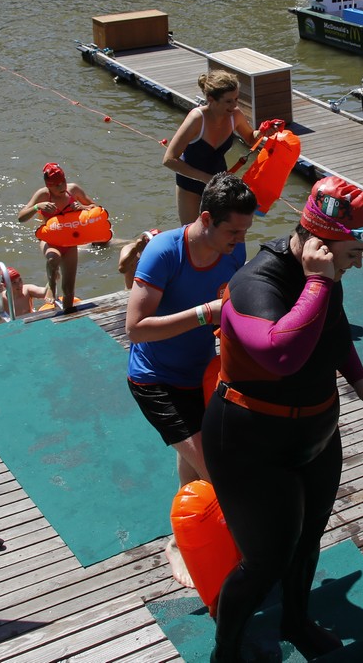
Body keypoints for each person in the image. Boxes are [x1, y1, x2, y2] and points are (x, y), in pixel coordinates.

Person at [203, 177, 363, 661]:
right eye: (352, 254)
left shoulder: (327, 277)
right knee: (265, 562)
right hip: (251, 443)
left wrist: (359, 380)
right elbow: (280, 355)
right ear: (319, 246)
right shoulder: (253, 284)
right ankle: (225, 651)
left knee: (308, 542)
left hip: (317, 434)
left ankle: (296, 621)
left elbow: (333, 325)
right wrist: (319, 282)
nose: (357, 264)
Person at [125, 173, 257, 588]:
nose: (240, 240)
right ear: (206, 219)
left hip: (200, 374)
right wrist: (204, 314)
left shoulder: (234, 250)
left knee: (196, 458)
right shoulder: (164, 253)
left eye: (245, 231)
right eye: (233, 231)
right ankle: (183, 545)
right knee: (215, 469)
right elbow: (135, 328)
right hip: (154, 380)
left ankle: (188, 532)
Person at [162, 70, 273, 226]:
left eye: (236, 99)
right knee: (192, 233)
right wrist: (206, 178)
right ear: (211, 99)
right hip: (190, 185)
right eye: (228, 101)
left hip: (219, 185)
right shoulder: (196, 119)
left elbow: (250, 139)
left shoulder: (235, 115)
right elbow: (169, 159)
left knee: (220, 231)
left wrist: (262, 132)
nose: (234, 105)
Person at [16, 162, 97, 313]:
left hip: (70, 242)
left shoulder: (73, 190)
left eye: (63, 182)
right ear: (48, 186)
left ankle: (68, 315)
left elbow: (97, 209)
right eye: (57, 185)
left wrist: (83, 208)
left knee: (68, 289)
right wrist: (37, 207)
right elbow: (21, 217)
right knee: (53, 258)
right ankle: (51, 285)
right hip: (50, 240)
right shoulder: (43, 195)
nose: (61, 187)